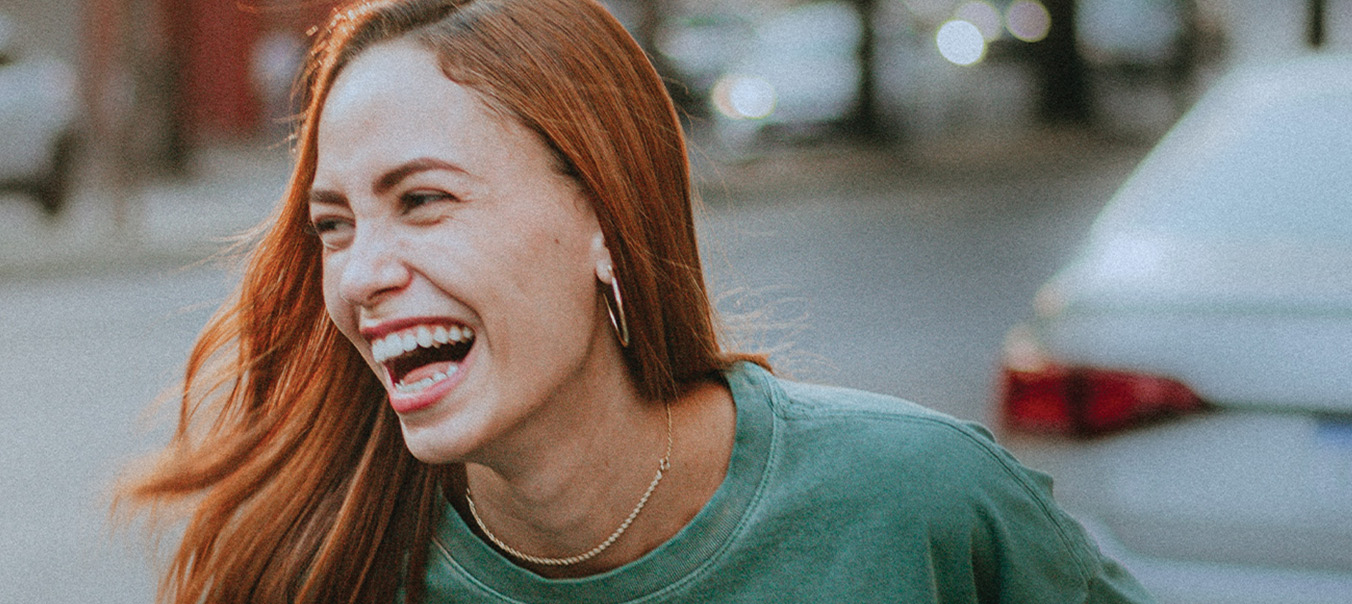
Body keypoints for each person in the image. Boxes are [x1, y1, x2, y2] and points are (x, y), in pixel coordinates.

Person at [119, 1, 1154, 602]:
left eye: (423, 200)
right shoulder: (324, 573)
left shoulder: (917, 506)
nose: (360, 273)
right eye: (334, 223)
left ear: (605, 221)